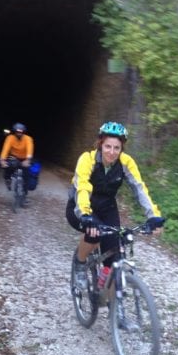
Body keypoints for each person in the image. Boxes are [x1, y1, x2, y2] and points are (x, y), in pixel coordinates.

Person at [66, 121, 165, 289]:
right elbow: (82, 187)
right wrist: (85, 214)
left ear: (122, 148)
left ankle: (112, 299)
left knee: (115, 253)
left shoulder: (126, 162)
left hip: (107, 206)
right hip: (80, 205)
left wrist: (153, 216)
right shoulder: (87, 159)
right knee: (93, 234)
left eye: (116, 148)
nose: (112, 152)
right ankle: (80, 263)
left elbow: (139, 188)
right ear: (100, 144)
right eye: (108, 147)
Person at [0, 122, 34, 193]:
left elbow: (30, 149)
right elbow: (5, 149)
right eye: (17, 132)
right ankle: (8, 180)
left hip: (25, 158)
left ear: (23, 132)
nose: (19, 133)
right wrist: (2, 160)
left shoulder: (28, 139)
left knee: (27, 174)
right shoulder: (10, 138)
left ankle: (25, 194)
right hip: (14, 157)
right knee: (7, 166)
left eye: (21, 132)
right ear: (14, 132)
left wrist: (28, 159)